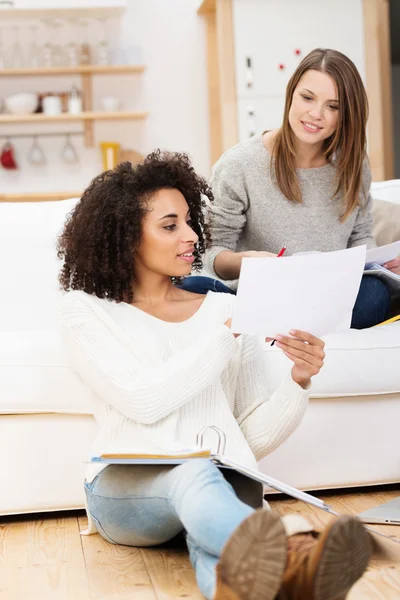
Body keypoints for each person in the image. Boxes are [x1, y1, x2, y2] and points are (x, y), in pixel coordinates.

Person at [57, 152, 372, 600]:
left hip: (218, 491)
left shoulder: (226, 310)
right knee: (193, 473)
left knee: (222, 541)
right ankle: (293, 552)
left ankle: (271, 581)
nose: (190, 237)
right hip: (125, 488)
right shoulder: (85, 312)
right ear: (126, 238)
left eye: (189, 221)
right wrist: (223, 337)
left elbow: (246, 439)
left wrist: (298, 380)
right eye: (170, 226)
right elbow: (143, 402)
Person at [180, 48, 400, 329]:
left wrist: (382, 263)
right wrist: (246, 262)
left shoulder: (354, 165)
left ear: (346, 114)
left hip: (328, 296)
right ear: (291, 94)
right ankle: (292, 328)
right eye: (307, 98)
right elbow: (212, 254)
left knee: (375, 294)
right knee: (192, 286)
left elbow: (360, 238)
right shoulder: (239, 164)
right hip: (257, 295)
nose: (315, 114)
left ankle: (286, 330)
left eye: (333, 106)